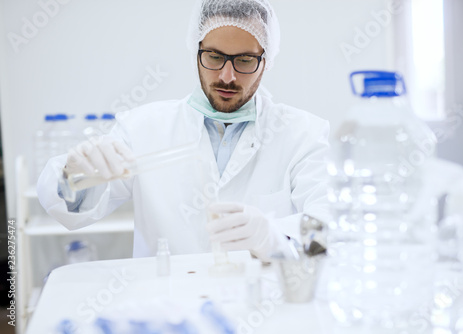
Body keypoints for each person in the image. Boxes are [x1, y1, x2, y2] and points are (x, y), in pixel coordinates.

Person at [37, 0, 332, 261]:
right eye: (215, 57)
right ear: (196, 51)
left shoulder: (303, 134)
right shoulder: (142, 128)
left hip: (263, 305)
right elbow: (71, 210)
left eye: (244, 60)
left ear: (265, 62)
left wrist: (274, 237)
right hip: (167, 309)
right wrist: (73, 176)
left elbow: (326, 229)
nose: (227, 76)